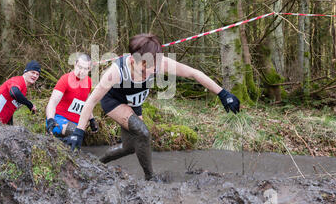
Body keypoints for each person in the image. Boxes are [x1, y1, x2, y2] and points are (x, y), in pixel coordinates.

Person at [64, 34, 240, 181]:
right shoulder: (115, 72)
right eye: (145, 69)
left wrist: (223, 93)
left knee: (131, 146)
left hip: (135, 104)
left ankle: (98, 163)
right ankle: (151, 178)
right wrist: (79, 132)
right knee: (143, 132)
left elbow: (194, 73)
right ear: (133, 60)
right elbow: (91, 101)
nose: (150, 73)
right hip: (114, 102)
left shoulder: (158, 63)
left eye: (154, 69)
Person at [45, 54, 98, 139]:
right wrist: (50, 119)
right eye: (80, 67)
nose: (82, 71)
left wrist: (92, 120)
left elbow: (87, 102)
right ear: (75, 64)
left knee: (78, 135)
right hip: (59, 119)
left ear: (89, 69)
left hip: (76, 123)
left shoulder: (88, 82)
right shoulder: (65, 79)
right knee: (72, 131)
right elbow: (52, 102)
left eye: (85, 69)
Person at [0, 60, 40, 125]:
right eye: (32, 72)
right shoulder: (17, 80)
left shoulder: (23, 88)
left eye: (37, 74)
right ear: (25, 72)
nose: (35, 76)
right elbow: (14, 93)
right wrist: (29, 105)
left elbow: (10, 108)